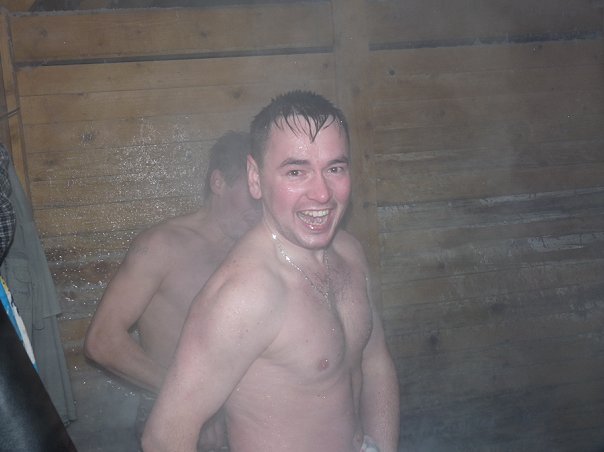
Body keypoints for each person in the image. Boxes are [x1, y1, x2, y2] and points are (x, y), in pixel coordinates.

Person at [141, 91, 400, 452]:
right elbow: (163, 436)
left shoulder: (350, 253)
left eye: (335, 169)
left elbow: (375, 363)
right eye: (296, 172)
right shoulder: (245, 293)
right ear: (255, 177)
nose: (322, 194)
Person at [84, 131, 261, 451]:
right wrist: (186, 399)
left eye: (263, 192)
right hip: (172, 407)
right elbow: (102, 341)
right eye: (250, 192)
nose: (259, 205)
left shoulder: (260, 247)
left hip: (245, 412)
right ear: (218, 182)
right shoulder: (161, 246)